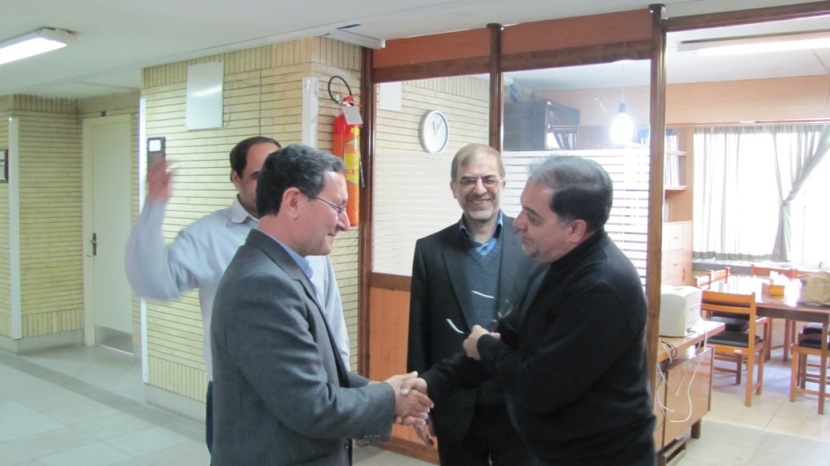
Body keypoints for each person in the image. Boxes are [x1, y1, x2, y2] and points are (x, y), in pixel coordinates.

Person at [413, 155, 656, 466]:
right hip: (552, 447)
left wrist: (484, 345)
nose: (518, 223)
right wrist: (429, 383)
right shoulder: (551, 264)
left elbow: (539, 386)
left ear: (575, 230)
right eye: (522, 208)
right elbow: (509, 337)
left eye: (533, 217)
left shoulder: (602, 287)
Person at [124, 136, 351, 452]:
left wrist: (343, 384)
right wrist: (154, 205)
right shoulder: (208, 236)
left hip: (312, 395)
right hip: (240, 400)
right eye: (259, 176)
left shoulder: (310, 236)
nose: (272, 183)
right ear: (237, 178)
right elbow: (152, 281)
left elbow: (330, 317)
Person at [210, 144, 432, 465]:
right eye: (338, 206)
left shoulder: (281, 268)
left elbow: (312, 376)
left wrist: (383, 390)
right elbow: (313, 407)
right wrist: (389, 398)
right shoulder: (263, 285)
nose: (345, 222)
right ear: (294, 202)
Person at [407, 143, 539, 465]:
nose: (479, 189)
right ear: (454, 188)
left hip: (520, 406)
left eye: (488, 179)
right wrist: (420, 405)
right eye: (468, 180)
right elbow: (419, 336)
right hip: (456, 406)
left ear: (502, 184)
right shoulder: (430, 251)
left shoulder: (533, 245)